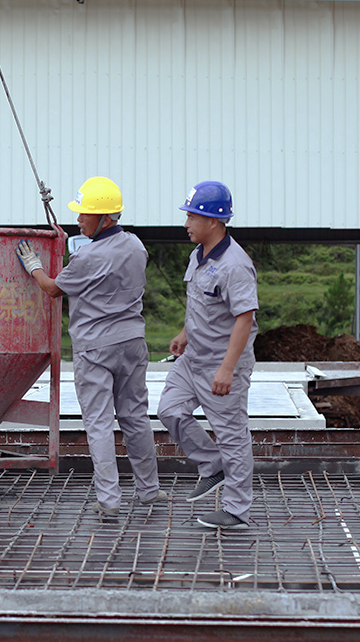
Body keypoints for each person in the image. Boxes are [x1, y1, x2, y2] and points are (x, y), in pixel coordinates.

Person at [16, 176, 164, 517]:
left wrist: (34, 267)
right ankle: (149, 490)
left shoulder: (87, 259)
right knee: (135, 418)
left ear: (106, 219)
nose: (79, 219)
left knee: (98, 422)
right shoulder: (136, 246)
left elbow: (54, 289)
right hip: (131, 342)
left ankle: (110, 501)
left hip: (95, 348)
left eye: (85, 214)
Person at [156, 181, 258, 531]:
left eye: (192, 216)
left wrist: (228, 368)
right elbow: (202, 302)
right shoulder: (197, 256)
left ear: (213, 220)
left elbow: (245, 318)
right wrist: (185, 333)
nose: (186, 222)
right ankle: (211, 465)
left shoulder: (235, 265)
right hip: (193, 358)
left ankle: (236, 510)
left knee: (232, 435)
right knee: (169, 410)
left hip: (221, 363)